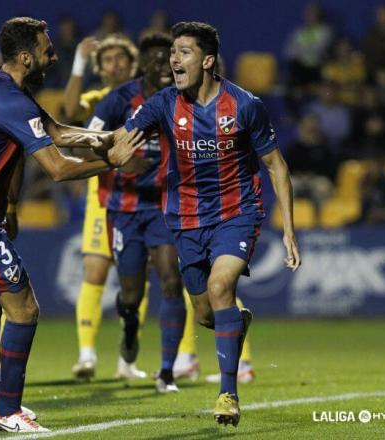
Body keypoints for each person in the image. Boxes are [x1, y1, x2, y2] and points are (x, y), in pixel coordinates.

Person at [0, 17, 143, 433]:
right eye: (48, 49)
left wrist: (108, 136)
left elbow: (59, 131)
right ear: (27, 56)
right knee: (25, 309)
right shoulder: (12, 101)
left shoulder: (0, 86)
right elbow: (59, 169)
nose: (54, 54)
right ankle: (7, 411)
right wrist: (111, 161)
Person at [118, 21, 301, 426]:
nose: (173, 59)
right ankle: (236, 323)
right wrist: (89, 145)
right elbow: (122, 138)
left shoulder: (244, 105)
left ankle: (228, 395)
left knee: (221, 287)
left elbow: (276, 166)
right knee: (205, 313)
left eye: (183, 52)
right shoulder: (165, 103)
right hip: (184, 219)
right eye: (173, 52)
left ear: (208, 60)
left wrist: (289, 230)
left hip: (236, 214)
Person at [87, 33, 188, 393]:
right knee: (132, 295)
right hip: (125, 209)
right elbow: (88, 141)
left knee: (172, 282)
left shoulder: (185, 98)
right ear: (142, 65)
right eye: (158, 60)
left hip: (164, 206)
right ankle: (130, 325)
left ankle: (166, 372)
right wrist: (120, 161)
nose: (166, 66)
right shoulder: (120, 98)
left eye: (171, 59)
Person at [65, 34, 149, 380]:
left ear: (133, 65)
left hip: (145, 198)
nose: (116, 64)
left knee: (136, 281)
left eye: (121, 59)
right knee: (95, 273)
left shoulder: (149, 100)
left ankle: (127, 362)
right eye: (108, 60)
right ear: (100, 68)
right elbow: (70, 112)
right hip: (103, 200)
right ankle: (86, 355)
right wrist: (78, 63)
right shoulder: (98, 98)